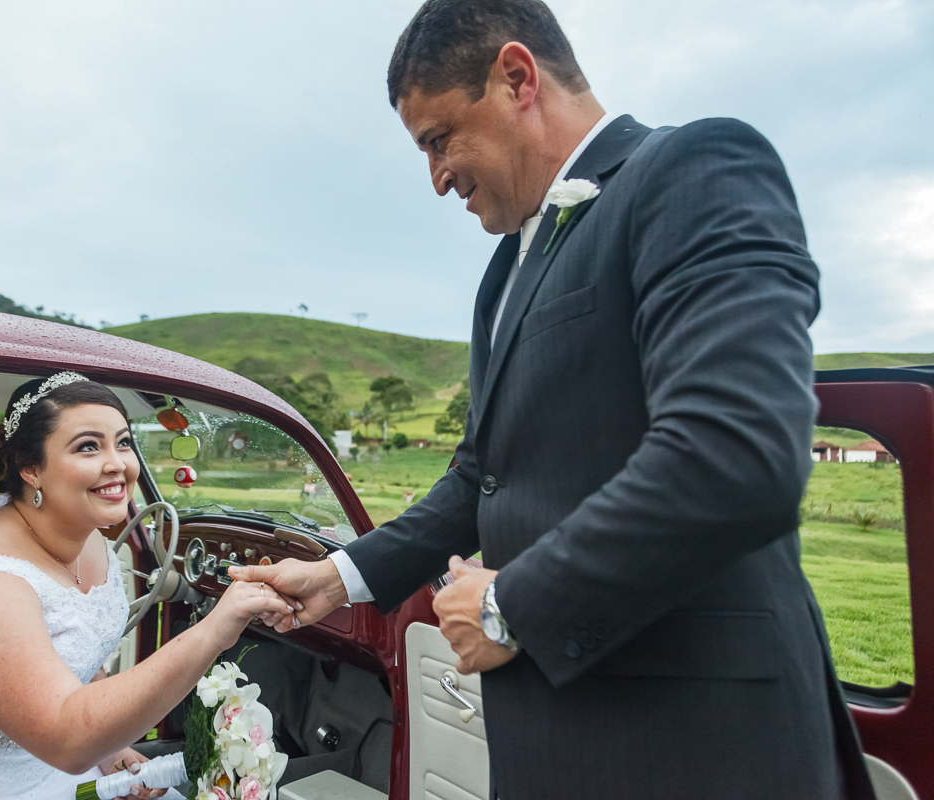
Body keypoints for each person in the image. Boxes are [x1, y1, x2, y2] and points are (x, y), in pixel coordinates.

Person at [231, 1, 877, 797]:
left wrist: (510, 608)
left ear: (516, 77)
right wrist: (339, 577)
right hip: (553, 746)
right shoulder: (504, 273)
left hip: (693, 750)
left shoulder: (696, 167)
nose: (436, 180)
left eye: (439, 140)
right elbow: (483, 477)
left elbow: (735, 450)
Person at [0, 373, 292, 799]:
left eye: (123, 442)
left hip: (55, 764)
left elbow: (78, 658)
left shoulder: (86, 533)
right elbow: (65, 738)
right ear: (31, 468)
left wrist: (112, 751)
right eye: (88, 446)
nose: (118, 464)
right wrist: (214, 630)